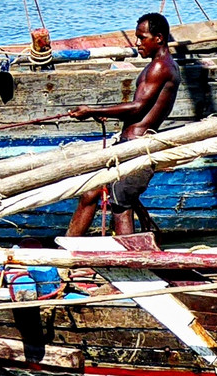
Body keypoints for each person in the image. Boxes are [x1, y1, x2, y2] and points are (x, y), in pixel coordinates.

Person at [66, 12, 183, 237]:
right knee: (91, 193)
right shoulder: (165, 65)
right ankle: (66, 254)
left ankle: (127, 261)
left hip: (136, 146)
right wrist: (108, 115)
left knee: (121, 205)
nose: (137, 43)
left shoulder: (160, 67)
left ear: (159, 38)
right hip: (128, 144)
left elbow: (138, 107)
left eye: (142, 37)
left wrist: (92, 110)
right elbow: (141, 107)